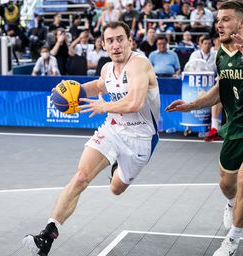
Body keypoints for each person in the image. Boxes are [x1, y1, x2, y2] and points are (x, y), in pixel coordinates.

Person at [22, 21, 160, 256]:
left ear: (130, 41)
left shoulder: (139, 65)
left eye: (120, 39)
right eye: (110, 40)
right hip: (113, 129)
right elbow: (99, 85)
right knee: (80, 178)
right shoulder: (107, 68)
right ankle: (47, 235)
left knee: (116, 189)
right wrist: (74, 93)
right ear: (103, 45)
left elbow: (135, 103)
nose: (115, 45)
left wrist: (105, 106)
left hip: (140, 138)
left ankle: (117, 167)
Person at [166, 1, 243, 255]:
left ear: (240, 23)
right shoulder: (222, 52)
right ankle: (232, 204)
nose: (219, 24)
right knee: (226, 183)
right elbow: (220, 91)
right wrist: (191, 105)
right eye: (218, 19)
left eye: (226, 19)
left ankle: (233, 238)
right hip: (234, 128)